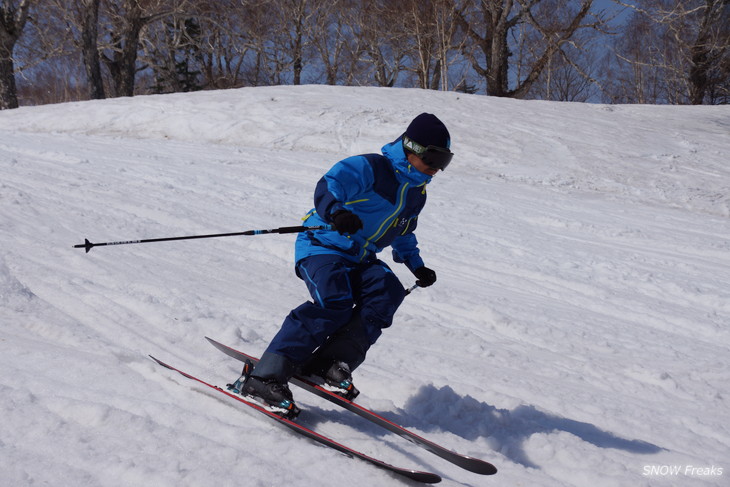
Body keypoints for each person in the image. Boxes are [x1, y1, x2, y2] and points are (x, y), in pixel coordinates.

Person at [243, 113, 453, 416]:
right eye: (433, 158)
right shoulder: (372, 167)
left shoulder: (417, 193)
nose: (437, 169)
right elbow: (329, 185)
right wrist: (336, 213)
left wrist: (416, 265)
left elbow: (404, 231)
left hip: (360, 257)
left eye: (444, 161)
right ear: (412, 148)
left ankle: (330, 363)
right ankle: (264, 377)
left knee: (388, 292)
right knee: (335, 302)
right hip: (323, 247)